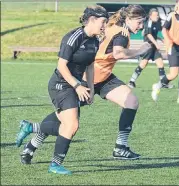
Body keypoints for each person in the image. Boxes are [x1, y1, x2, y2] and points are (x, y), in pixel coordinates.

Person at [16, 5, 150, 168]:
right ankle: (32, 133)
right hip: (90, 78)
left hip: (102, 76)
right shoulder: (121, 33)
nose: (141, 26)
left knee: (131, 102)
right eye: (139, 22)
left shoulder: (113, 27)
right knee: (66, 122)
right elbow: (118, 53)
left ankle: (120, 147)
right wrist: (141, 50)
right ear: (128, 19)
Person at [15, 5, 109, 175]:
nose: (105, 26)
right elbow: (61, 65)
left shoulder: (95, 40)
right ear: (92, 20)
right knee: (71, 125)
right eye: (103, 22)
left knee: (63, 123)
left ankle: (30, 136)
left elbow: (89, 65)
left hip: (76, 85)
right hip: (61, 84)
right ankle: (55, 165)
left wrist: (91, 88)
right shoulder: (73, 37)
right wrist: (77, 85)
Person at [128, 8, 173, 89]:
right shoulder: (149, 22)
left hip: (154, 47)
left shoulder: (155, 23)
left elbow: (153, 35)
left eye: (158, 15)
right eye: (155, 15)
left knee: (160, 63)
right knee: (143, 64)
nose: (157, 17)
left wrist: (160, 39)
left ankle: (163, 83)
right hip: (148, 46)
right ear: (150, 16)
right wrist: (156, 43)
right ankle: (131, 81)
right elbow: (148, 35)